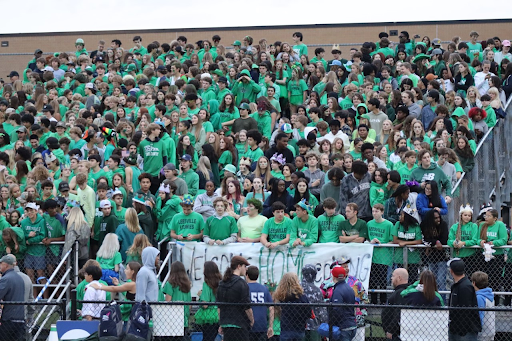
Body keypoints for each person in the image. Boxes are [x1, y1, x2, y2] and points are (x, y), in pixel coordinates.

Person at [216, 256, 254, 341]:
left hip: (226, 323)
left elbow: (219, 307)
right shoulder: (241, 284)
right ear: (239, 266)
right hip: (240, 324)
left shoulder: (222, 283)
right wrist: (252, 320)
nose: (246, 269)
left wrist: (221, 322)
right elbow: (247, 306)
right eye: (245, 266)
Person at [448, 258, 482, 341]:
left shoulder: (465, 286)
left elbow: (466, 310)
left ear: (451, 271)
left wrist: (462, 330)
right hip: (456, 328)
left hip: (465, 331)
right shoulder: (457, 286)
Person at [273, 272, 311, 341]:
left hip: (286, 328)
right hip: (299, 328)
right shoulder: (302, 297)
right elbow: (308, 312)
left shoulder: (281, 297)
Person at [163, 261, 192, 338]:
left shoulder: (170, 284)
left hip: (173, 320)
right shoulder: (187, 285)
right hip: (184, 319)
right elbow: (189, 306)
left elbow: (168, 302)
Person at [0, 254, 26, 340]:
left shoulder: (6, 279)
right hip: (20, 319)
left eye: (1, 263)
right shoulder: (19, 278)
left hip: (9, 319)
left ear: (6, 265)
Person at [246, 266, 274, 341]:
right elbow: (271, 308)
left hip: (248, 325)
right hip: (262, 325)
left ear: (247, 275)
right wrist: (270, 326)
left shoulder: (245, 288)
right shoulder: (264, 289)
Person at [329, 265, 357, 341]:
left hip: (343, 327)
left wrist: (331, 324)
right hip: (351, 324)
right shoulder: (349, 288)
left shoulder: (338, 290)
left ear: (333, 277)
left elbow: (336, 310)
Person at [301, 264, 327, 340]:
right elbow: (322, 311)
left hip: (298, 326)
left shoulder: (297, 289)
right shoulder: (317, 290)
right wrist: (324, 324)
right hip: (314, 326)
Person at [382, 268, 409, 341]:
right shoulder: (398, 291)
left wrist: (391, 330)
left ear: (399, 278)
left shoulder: (401, 292)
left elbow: (398, 313)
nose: (391, 278)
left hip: (395, 335)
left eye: (393, 276)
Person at [471, 271, 495, 341]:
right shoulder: (489, 295)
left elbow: (479, 316)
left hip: (483, 333)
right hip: (490, 330)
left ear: (474, 283)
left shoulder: (479, 297)